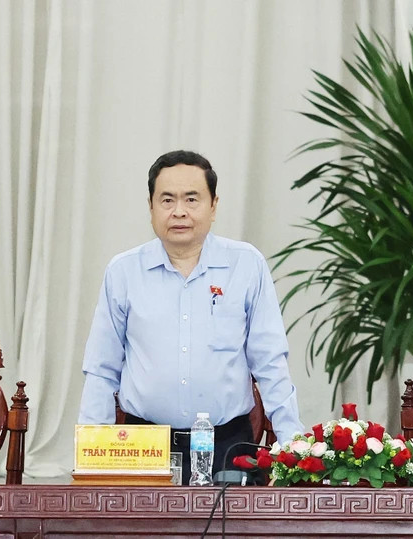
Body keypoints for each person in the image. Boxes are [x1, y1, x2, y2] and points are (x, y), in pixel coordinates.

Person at [78, 150, 304, 484]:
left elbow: (270, 363)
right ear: (151, 207)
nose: (179, 211)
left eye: (192, 199)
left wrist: (293, 449)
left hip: (229, 444)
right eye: (167, 200)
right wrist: (90, 458)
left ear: (213, 206)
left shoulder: (246, 265)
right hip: (144, 447)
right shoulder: (124, 272)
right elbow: (101, 370)